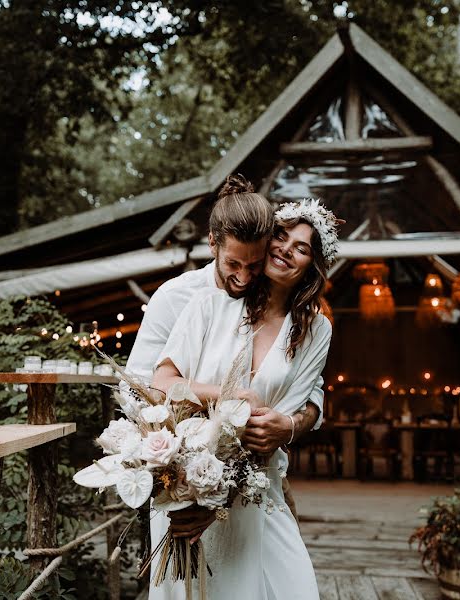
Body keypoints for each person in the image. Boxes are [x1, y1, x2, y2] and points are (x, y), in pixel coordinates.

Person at [148, 197, 339, 599]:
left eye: (302, 247)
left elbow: (284, 417)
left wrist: (218, 494)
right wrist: (230, 396)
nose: (286, 249)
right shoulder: (210, 305)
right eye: (282, 236)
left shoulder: (315, 329)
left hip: (255, 488)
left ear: (312, 265)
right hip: (187, 484)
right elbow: (160, 381)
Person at [124, 174, 323, 538]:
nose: (245, 277)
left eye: (254, 263)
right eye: (234, 264)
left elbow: (309, 391)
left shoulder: (265, 300)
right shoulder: (178, 298)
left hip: (256, 477)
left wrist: (289, 426)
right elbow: (139, 390)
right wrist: (189, 463)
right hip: (181, 472)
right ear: (213, 243)